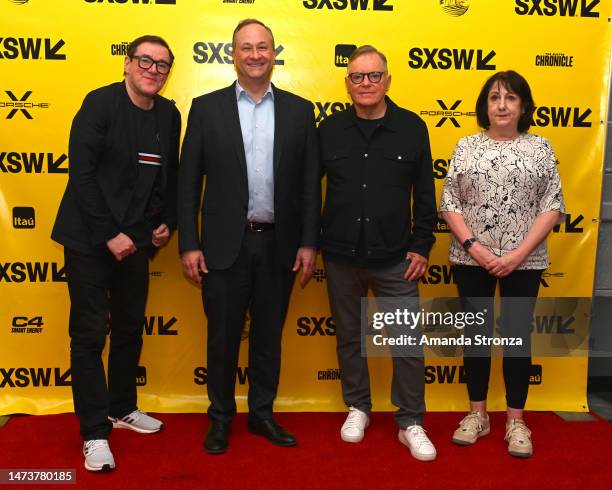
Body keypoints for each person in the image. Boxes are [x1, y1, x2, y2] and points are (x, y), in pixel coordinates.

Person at [178, 18, 320, 454]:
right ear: (233, 55)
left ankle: (261, 415)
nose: (255, 54)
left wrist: (309, 241)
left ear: (274, 54)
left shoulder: (300, 110)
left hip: (279, 245)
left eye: (263, 47)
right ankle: (220, 418)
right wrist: (189, 243)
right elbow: (188, 183)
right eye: (246, 47)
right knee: (221, 337)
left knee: (268, 338)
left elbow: (310, 184)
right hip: (223, 245)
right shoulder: (205, 108)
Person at [51, 35, 180, 471]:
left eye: (162, 65)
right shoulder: (100, 104)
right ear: (127, 64)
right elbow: (82, 174)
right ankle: (93, 433)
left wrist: (166, 222)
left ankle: (122, 407)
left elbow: (168, 177)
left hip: (136, 242)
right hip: (89, 240)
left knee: (129, 328)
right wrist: (110, 234)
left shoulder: (169, 114)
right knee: (89, 337)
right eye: (145, 60)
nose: (153, 70)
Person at [318, 45, 437, 461]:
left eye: (373, 76)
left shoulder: (411, 128)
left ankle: (410, 421)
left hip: (395, 260)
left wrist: (421, 245)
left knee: (406, 343)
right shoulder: (329, 129)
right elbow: (305, 191)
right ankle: (358, 406)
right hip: (339, 257)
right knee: (350, 339)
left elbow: (425, 195)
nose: (365, 83)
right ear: (347, 83)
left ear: (387, 80)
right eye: (356, 77)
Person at [439, 70, 565, 458]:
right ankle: (478, 414)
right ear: (485, 106)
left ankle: (515, 420)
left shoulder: (540, 147)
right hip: (470, 257)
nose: (502, 105)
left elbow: (553, 206)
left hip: (524, 262)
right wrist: (476, 248)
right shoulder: (466, 146)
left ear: (523, 106)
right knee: (475, 338)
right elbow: (450, 203)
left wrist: (517, 254)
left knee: (516, 339)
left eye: (511, 98)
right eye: (494, 98)